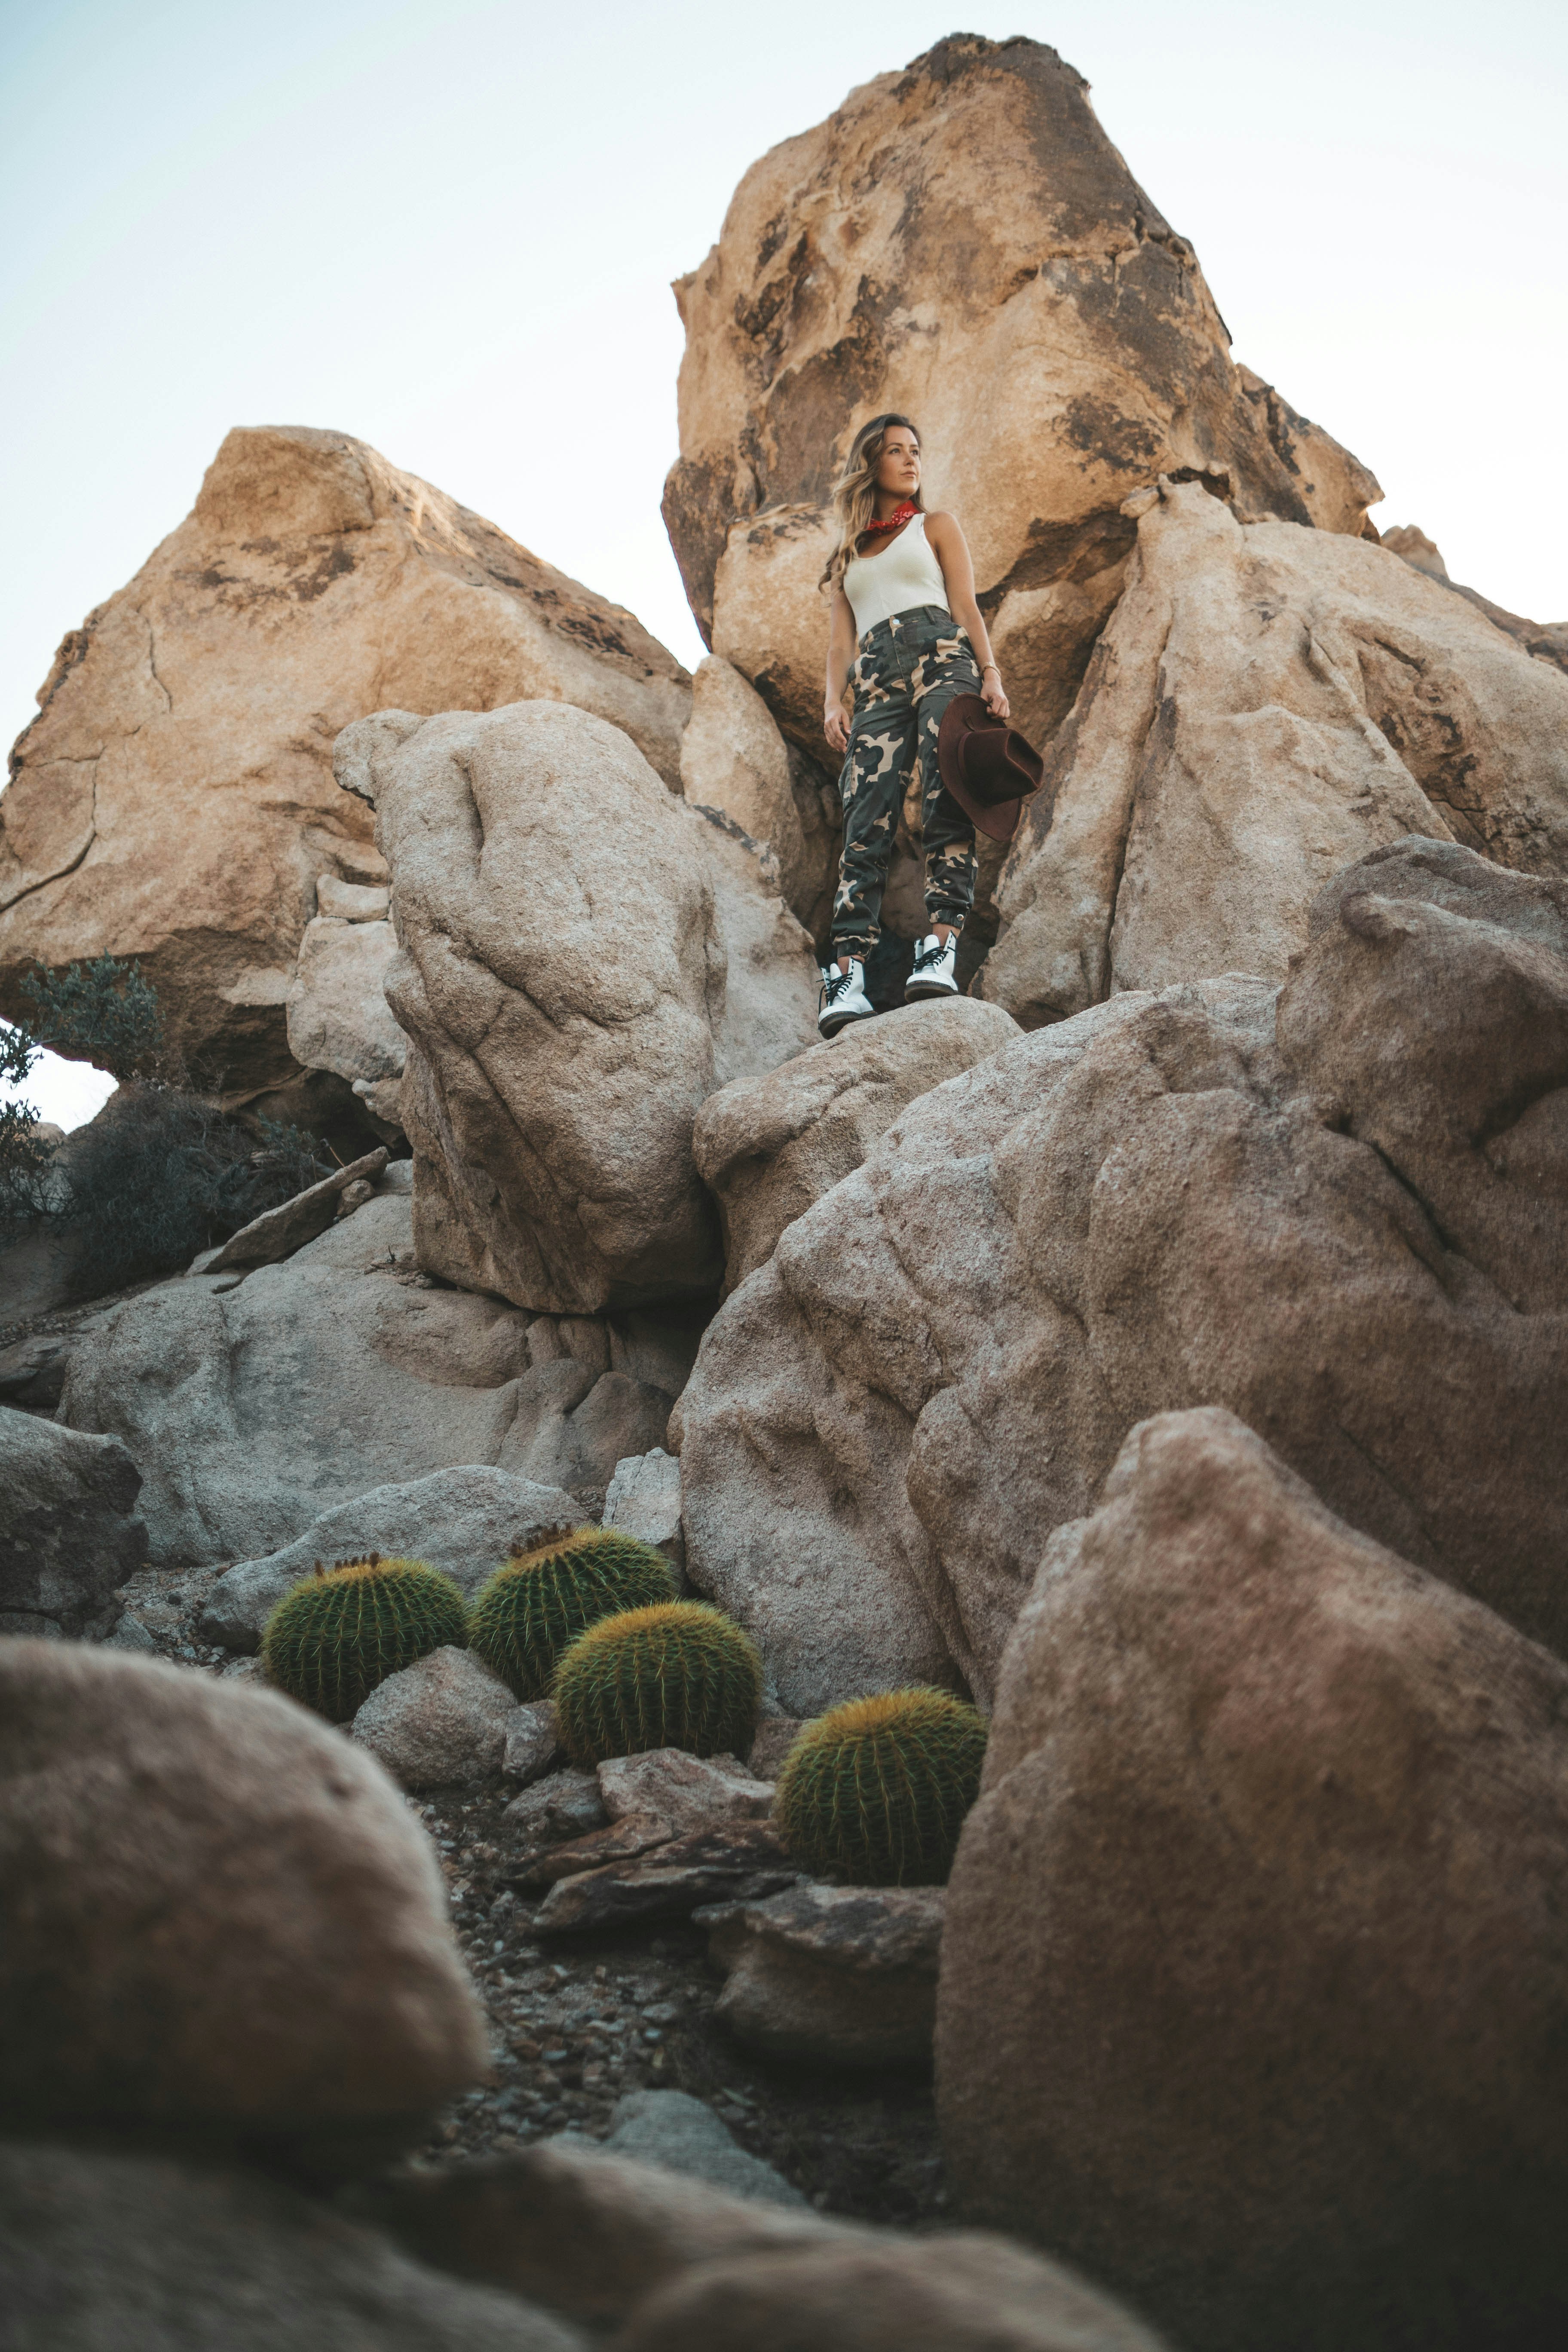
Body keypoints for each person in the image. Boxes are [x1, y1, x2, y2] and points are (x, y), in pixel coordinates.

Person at [816, 412, 1010, 1038]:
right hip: (874, 676)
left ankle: (942, 945)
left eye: (916, 451)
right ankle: (846, 977)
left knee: (946, 791)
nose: (910, 461)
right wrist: (832, 700)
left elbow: (965, 605)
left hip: (941, 657)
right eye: (896, 451)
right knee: (865, 814)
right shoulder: (849, 551)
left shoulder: (936, 526)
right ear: (870, 463)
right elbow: (841, 637)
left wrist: (990, 673)